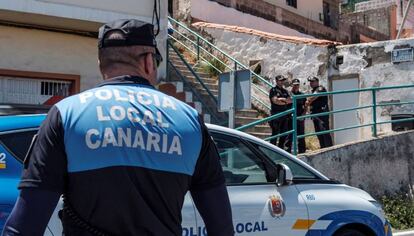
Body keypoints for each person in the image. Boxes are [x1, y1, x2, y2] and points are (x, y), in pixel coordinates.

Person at [2, 19, 234, 236]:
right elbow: (221, 226)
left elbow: (24, 226)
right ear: (148, 61)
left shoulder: (65, 114)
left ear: (101, 63)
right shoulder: (190, 119)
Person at [306, 76, 333, 149]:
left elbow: (312, 97)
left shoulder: (320, 88)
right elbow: (310, 99)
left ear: (317, 82)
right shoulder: (313, 90)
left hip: (322, 115)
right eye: (310, 82)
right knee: (318, 133)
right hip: (315, 115)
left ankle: (329, 149)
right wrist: (308, 100)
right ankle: (323, 148)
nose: (311, 83)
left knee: (324, 132)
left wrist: (308, 100)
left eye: (313, 81)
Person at [268, 75, 292, 151]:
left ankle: (280, 150)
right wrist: (285, 101)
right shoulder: (273, 90)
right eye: (280, 80)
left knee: (284, 134)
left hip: (284, 115)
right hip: (276, 115)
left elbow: (290, 100)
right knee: (275, 134)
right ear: (277, 81)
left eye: (283, 80)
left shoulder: (285, 91)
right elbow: (275, 101)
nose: (282, 82)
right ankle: (272, 150)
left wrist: (282, 99)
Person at [290, 79, 306, 154]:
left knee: (301, 135)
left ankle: (302, 151)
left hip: (300, 117)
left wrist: (303, 114)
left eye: (297, 84)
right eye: (295, 84)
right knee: (289, 135)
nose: (296, 86)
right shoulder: (288, 94)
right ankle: (288, 151)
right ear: (292, 85)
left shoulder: (302, 95)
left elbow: (305, 105)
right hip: (290, 118)